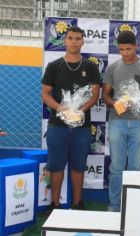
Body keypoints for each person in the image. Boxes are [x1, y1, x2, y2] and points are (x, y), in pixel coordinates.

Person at [42, 26, 100, 211]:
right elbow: (45, 94)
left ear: (83, 42)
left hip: (81, 125)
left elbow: (94, 95)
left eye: (77, 38)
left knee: (78, 165)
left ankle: (77, 203)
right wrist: (62, 109)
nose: (74, 41)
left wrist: (79, 111)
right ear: (65, 41)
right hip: (57, 125)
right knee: (56, 165)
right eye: (70, 38)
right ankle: (55, 204)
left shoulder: (90, 66)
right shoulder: (54, 66)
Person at [102, 30, 140, 212]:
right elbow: (105, 95)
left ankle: (133, 207)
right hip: (117, 121)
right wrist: (115, 103)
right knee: (116, 167)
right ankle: (114, 205)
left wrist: (139, 101)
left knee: (135, 167)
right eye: (122, 49)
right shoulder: (112, 68)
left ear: (136, 46)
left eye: (129, 49)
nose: (125, 53)